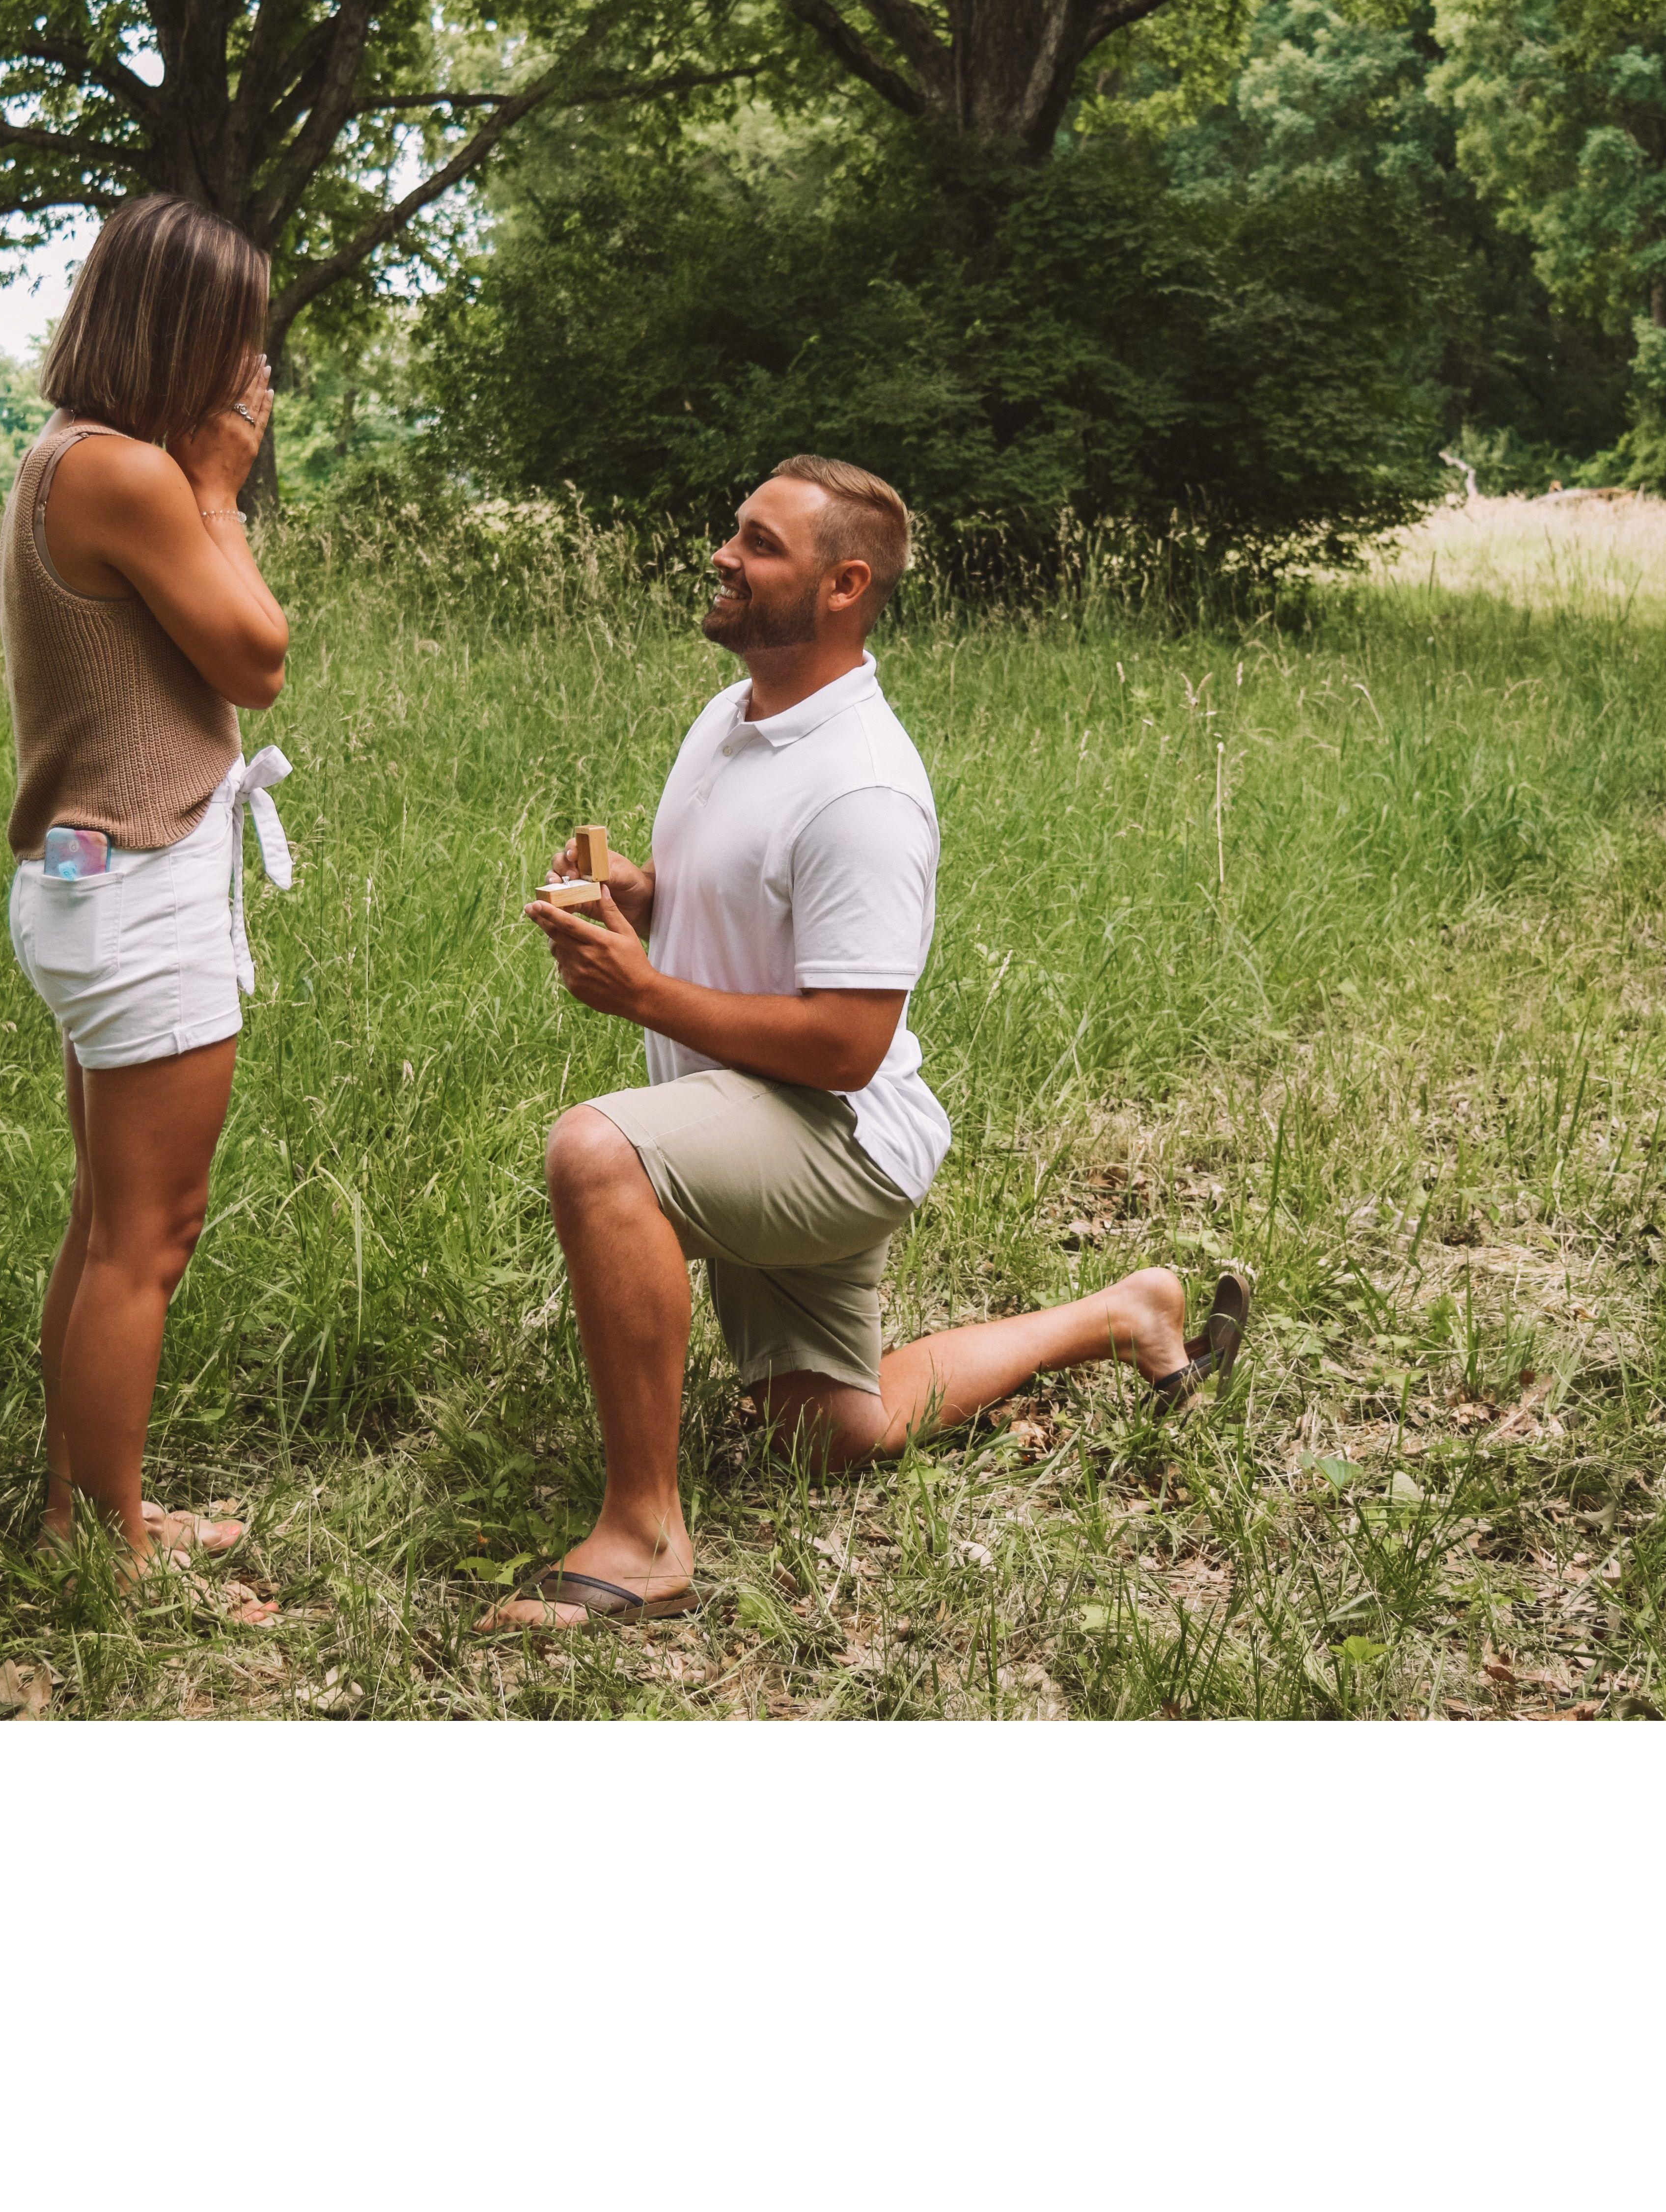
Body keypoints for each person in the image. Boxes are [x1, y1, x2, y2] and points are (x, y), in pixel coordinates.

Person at [483, 455, 1247, 1631]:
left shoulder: (864, 791)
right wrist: (642, 899)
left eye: (758, 544)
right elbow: (746, 912)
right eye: (734, 532)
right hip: (757, 1109)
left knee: (598, 1153)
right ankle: (1124, 1314)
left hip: (837, 1136)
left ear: (843, 587)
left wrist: (639, 996)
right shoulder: (735, 717)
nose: (724, 556)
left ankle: (643, 1539)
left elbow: (847, 1042)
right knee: (830, 1435)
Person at [0, 193, 293, 1585]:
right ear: (180, 334)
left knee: (108, 1223)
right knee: (150, 1239)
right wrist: (225, 487)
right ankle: (108, 1548)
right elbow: (257, 655)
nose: (258, 375)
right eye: (240, 341)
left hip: (87, 880)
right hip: (139, 890)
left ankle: (85, 1506)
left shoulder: (67, 456)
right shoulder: (132, 475)